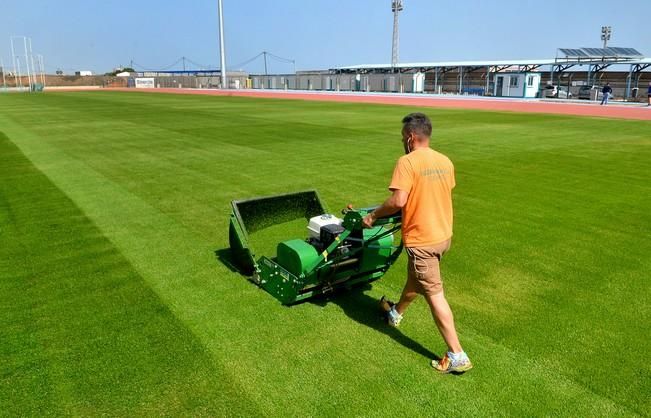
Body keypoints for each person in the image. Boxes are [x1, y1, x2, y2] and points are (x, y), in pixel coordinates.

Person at [362, 112, 472, 374]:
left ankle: (457, 355)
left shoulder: (407, 162)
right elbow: (435, 192)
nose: (403, 141)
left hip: (423, 240)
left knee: (435, 296)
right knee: (416, 279)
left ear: (411, 137)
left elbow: (399, 201)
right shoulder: (445, 161)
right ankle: (396, 314)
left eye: (403, 137)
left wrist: (373, 215)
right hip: (443, 236)